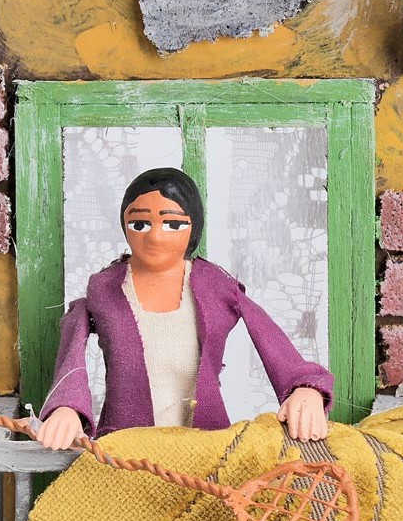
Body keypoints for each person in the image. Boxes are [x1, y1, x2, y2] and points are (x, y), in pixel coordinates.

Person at [35, 166, 333, 449]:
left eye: (174, 224)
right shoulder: (104, 290)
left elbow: (271, 340)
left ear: (194, 227)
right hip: (124, 450)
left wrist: (304, 388)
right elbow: (72, 356)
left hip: (205, 446)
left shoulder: (216, 287)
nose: (155, 236)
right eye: (139, 224)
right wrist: (67, 408)